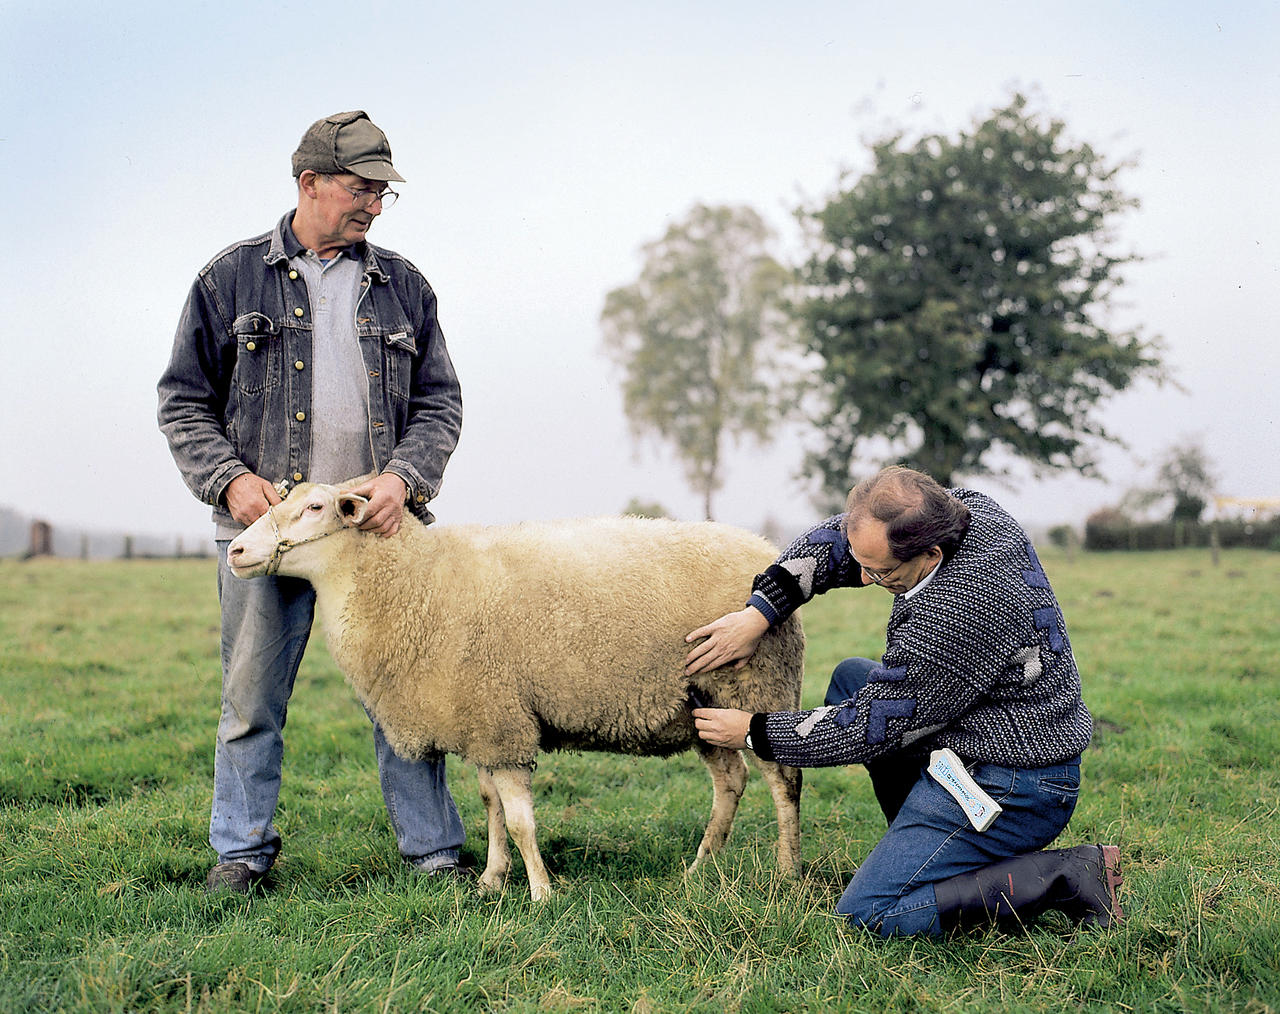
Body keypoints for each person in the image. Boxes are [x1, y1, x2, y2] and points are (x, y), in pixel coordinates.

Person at [158, 111, 466, 893]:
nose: (373, 205)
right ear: (310, 184)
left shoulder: (406, 288)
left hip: (375, 537)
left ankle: (433, 855)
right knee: (251, 697)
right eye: (362, 189)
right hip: (266, 537)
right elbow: (183, 402)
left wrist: (403, 480)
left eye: (381, 194)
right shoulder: (227, 280)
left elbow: (439, 405)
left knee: (406, 696)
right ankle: (240, 854)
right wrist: (230, 480)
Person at [687, 466, 1123, 936]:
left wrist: (753, 732)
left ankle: (1067, 877)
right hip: (977, 732)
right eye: (864, 565)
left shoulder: (958, 614)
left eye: (882, 571)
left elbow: (867, 726)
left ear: (931, 553)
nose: (868, 579)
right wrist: (760, 612)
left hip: (1017, 783)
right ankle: (928, 847)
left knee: (869, 912)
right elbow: (834, 542)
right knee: (852, 677)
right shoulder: (971, 511)